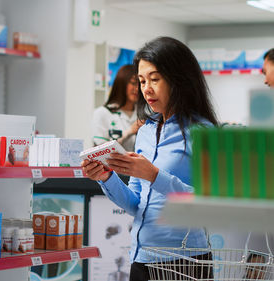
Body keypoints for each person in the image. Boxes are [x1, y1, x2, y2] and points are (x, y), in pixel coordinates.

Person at [82, 37, 219, 281]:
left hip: (185, 262)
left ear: (178, 79)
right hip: (141, 259)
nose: (146, 89)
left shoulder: (203, 132)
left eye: (154, 79)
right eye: (142, 81)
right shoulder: (145, 131)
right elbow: (136, 205)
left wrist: (154, 176)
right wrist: (107, 177)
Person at [92, 64, 143, 152]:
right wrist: (129, 132)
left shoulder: (144, 114)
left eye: (141, 83)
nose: (138, 88)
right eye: (134, 83)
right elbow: (99, 151)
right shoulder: (102, 113)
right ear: (122, 84)